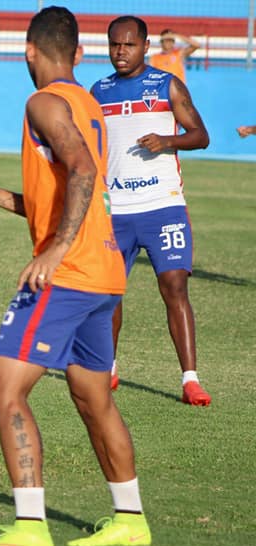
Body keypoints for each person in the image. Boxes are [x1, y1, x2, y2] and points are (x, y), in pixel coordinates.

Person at [0, 6, 151, 546]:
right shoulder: (88, 102)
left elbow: (84, 172)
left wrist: (57, 249)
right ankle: (130, 518)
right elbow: (73, 194)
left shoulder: (42, 102)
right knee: (94, 398)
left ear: (29, 51)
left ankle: (30, 527)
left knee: (4, 389)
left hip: (67, 275)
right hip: (105, 272)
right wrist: (0, 198)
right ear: (81, 53)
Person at [92, 15, 211, 406]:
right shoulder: (99, 90)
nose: (120, 52)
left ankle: (190, 379)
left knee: (174, 286)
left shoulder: (166, 84)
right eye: (114, 45)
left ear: (145, 47)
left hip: (163, 206)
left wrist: (167, 140)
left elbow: (201, 136)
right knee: (109, 292)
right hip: (116, 211)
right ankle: (108, 368)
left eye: (128, 45)